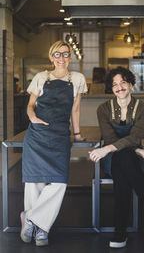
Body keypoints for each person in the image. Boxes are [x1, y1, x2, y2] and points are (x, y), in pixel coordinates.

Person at [89, 66, 144, 249]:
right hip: (112, 157)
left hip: (125, 156)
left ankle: (120, 231)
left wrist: (132, 150)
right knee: (122, 159)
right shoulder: (103, 109)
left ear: (131, 84)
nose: (119, 87)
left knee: (123, 169)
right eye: (114, 84)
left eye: (123, 82)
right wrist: (139, 151)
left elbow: (135, 137)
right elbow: (111, 139)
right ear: (111, 89)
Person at [20, 40, 87, 246]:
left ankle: (31, 220)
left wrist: (76, 134)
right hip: (37, 135)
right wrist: (32, 118)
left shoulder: (77, 78)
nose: (61, 58)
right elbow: (30, 105)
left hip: (59, 135)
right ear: (51, 57)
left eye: (65, 54)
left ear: (70, 57)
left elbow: (75, 109)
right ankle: (40, 231)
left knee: (59, 181)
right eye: (57, 54)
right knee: (34, 182)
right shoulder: (41, 77)